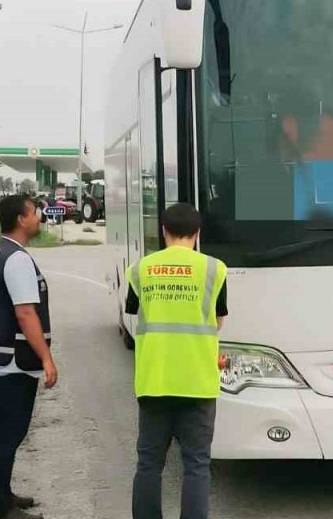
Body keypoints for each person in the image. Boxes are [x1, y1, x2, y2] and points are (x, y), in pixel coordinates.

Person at [127, 203, 228, 519]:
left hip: (154, 381)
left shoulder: (140, 269)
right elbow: (218, 319)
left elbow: (135, 312)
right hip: (198, 381)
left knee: (149, 463)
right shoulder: (214, 268)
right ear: (197, 234)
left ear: (163, 231)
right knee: (196, 464)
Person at [0, 194, 56, 519]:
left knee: (5, 430)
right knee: (10, 432)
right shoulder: (16, 258)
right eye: (35, 212)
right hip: (10, 360)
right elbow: (25, 314)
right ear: (22, 219)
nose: (39, 216)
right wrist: (47, 359)